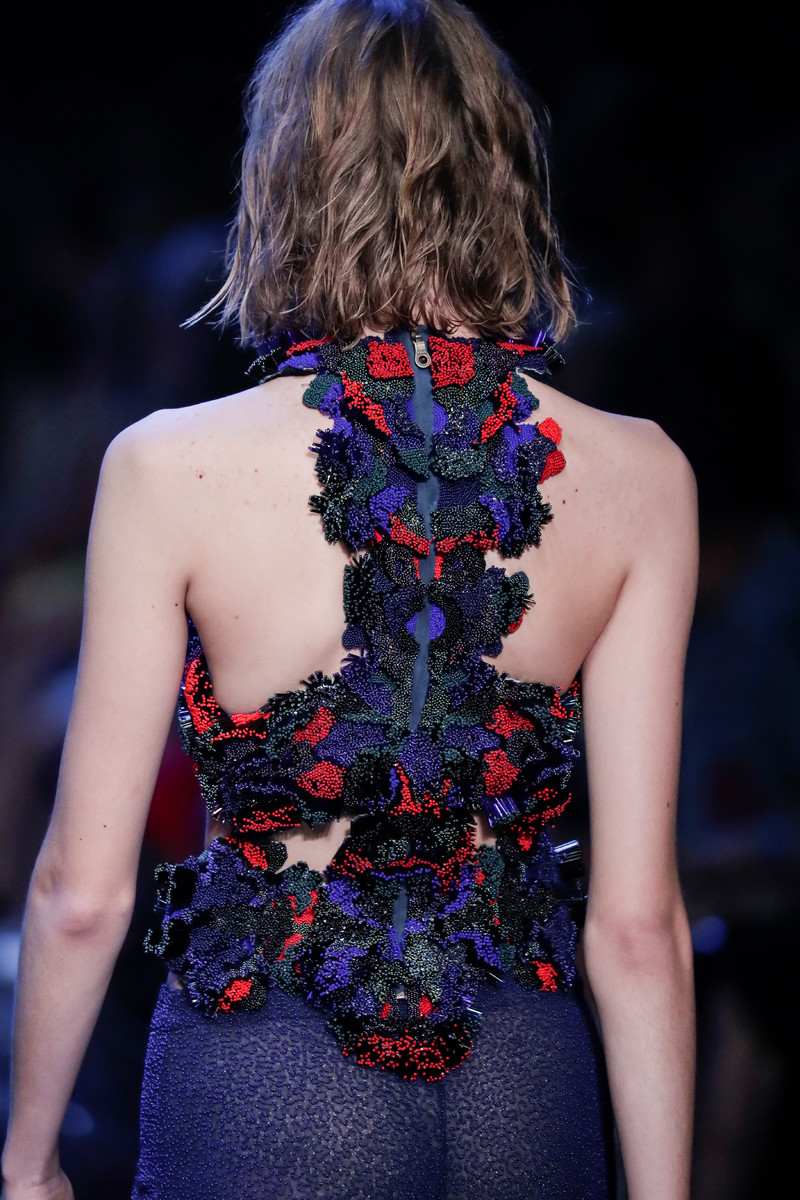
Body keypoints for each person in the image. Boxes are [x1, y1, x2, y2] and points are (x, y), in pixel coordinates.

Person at [1, 1, 697, 1197]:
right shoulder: (640, 475)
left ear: (285, 178)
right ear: (503, 174)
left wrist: (26, 1165)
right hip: (522, 1085)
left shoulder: (171, 466)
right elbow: (636, 925)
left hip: (265, 1076)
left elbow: (82, 891)